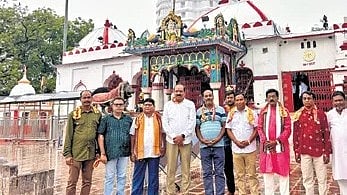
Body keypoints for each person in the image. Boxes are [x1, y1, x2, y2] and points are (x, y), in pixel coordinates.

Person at [63, 90, 102, 195]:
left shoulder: (97, 114)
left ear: (92, 99)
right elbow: (68, 135)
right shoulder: (74, 114)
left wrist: (98, 152)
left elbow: (99, 134)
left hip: (90, 153)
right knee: (72, 182)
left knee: (87, 181)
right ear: (80, 99)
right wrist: (67, 154)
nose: (87, 100)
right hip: (76, 153)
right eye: (84, 98)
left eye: (88, 97)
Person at [293, 91, 332, 195]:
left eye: (309, 98)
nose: (307, 101)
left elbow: (326, 133)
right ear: (302, 100)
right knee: (307, 178)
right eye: (304, 98)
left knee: (322, 177)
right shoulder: (298, 115)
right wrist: (296, 151)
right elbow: (296, 135)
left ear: (313, 100)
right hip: (304, 151)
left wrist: (327, 152)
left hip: (319, 151)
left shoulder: (321, 114)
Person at [162, 84, 196, 195]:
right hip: (171, 141)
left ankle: (185, 191)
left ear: (184, 92)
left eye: (180, 91)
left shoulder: (190, 104)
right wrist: (174, 136)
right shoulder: (168, 105)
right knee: (171, 168)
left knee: (186, 168)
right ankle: (170, 192)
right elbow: (165, 123)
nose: (178, 93)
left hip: (185, 141)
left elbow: (192, 122)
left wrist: (183, 136)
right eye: (176, 91)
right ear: (173, 92)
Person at [257, 89, 291, 195]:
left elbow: (288, 129)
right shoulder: (263, 112)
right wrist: (265, 141)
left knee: (283, 174)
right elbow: (259, 127)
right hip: (266, 148)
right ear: (266, 99)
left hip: (281, 147)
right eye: (269, 96)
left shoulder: (284, 112)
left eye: (273, 96)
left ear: (277, 98)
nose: (271, 98)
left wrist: (277, 141)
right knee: (267, 175)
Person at [130, 98, 166, 195]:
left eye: (150, 105)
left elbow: (163, 133)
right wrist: (132, 152)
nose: (147, 107)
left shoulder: (159, 118)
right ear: (142, 106)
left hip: (154, 152)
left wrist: (164, 147)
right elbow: (132, 135)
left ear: (154, 107)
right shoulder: (138, 119)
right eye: (145, 105)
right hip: (140, 152)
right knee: (138, 177)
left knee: (153, 177)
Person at [97, 97, 133, 195]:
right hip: (110, 152)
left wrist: (132, 152)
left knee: (122, 175)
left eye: (120, 104)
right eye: (116, 104)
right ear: (112, 106)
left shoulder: (128, 120)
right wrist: (102, 153)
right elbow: (100, 136)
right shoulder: (106, 119)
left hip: (124, 152)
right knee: (109, 176)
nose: (118, 106)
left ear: (124, 105)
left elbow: (132, 135)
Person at [225, 93, 259, 195]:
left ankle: (255, 193)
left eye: (241, 99)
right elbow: (228, 129)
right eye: (237, 100)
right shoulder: (231, 114)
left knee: (252, 174)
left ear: (245, 100)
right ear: (235, 102)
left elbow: (256, 129)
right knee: (240, 175)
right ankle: (242, 193)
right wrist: (235, 141)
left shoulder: (252, 113)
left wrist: (248, 141)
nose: (239, 102)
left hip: (250, 149)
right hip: (236, 149)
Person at [196, 89, 226, 194]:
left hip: (219, 145)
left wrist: (217, 138)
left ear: (213, 96)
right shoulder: (199, 112)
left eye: (210, 95)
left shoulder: (221, 110)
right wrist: (201, 139)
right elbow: (197, 128)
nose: (208, 97)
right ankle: (209, 193)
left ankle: (220, 193)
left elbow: (224, 126)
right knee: (207, 173)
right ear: (203, 98)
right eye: (206, 96)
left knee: (219, 172)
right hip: (204, 146)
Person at [327, 91, 347, 194]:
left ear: (345, 100)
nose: (338, 102)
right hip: (338, 151)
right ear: (333, 102)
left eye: (340, 100)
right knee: (341, 176)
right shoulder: (329, 115)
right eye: (336, 101)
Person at [223, 90, 236, 195]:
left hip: (239, 141)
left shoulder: (239, 110)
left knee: (242, 167)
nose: (230, 99)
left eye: (231, 97)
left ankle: (242, 189)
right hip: (227, 143)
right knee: (228, 167)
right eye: (228, 98)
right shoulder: (223, 111)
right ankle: (231, 190)